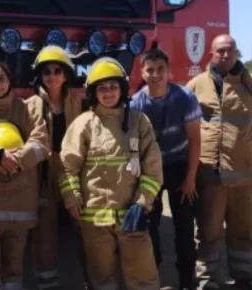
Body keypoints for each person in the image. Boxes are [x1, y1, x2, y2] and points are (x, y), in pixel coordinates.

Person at [58, 57, 163, 290]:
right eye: (102, 88)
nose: (108, 93)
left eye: (113, 87)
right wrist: (72, 197)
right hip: (94, 220)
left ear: (122, 89)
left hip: (132, 216)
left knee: (143, 278)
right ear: (93, 93)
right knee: (102, 281)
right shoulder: (83, 124)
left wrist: (142, 203)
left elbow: (153, 169)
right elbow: (67, 166)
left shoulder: (138, 121)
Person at [0, 60, 49, 290]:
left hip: (20, 197)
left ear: (9, 80)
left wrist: (17, 159)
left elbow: (40, 143)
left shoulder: (27, 109)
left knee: (14, 264)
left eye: (1, 78)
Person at [129, 47, 201, 290]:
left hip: (180, 166)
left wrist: (190, 177)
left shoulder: (185, 97)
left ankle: (187, 281)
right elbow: (134, 147)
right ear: (143, 73)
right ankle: (154, 279)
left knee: (184, 227)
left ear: (169, 71)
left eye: (161, 69)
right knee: (151, 226)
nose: (156, 74)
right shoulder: (136, 104)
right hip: (151, 170)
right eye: (150, 70)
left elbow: (195, 139)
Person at [186, 34, 252, 290]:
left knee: (244, 229)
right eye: (220, 51)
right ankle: (207, 279)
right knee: (208, 231)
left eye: (229, 50)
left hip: (244, 175)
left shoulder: (247, 84)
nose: (225, 55)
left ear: (237, 53)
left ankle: (245, 275)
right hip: (210, 174)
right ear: (211, 54)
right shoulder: (195, 85)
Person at [25, 46, 87, 290]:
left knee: (83, 223)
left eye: (57, 70)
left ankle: (92, 277)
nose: (52, 76)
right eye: (46, 71)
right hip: (43, 172)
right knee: (45, 230)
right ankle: (46, 280)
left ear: (66, 74)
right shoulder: (31, 104)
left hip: (71, 169)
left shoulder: (78, 102)